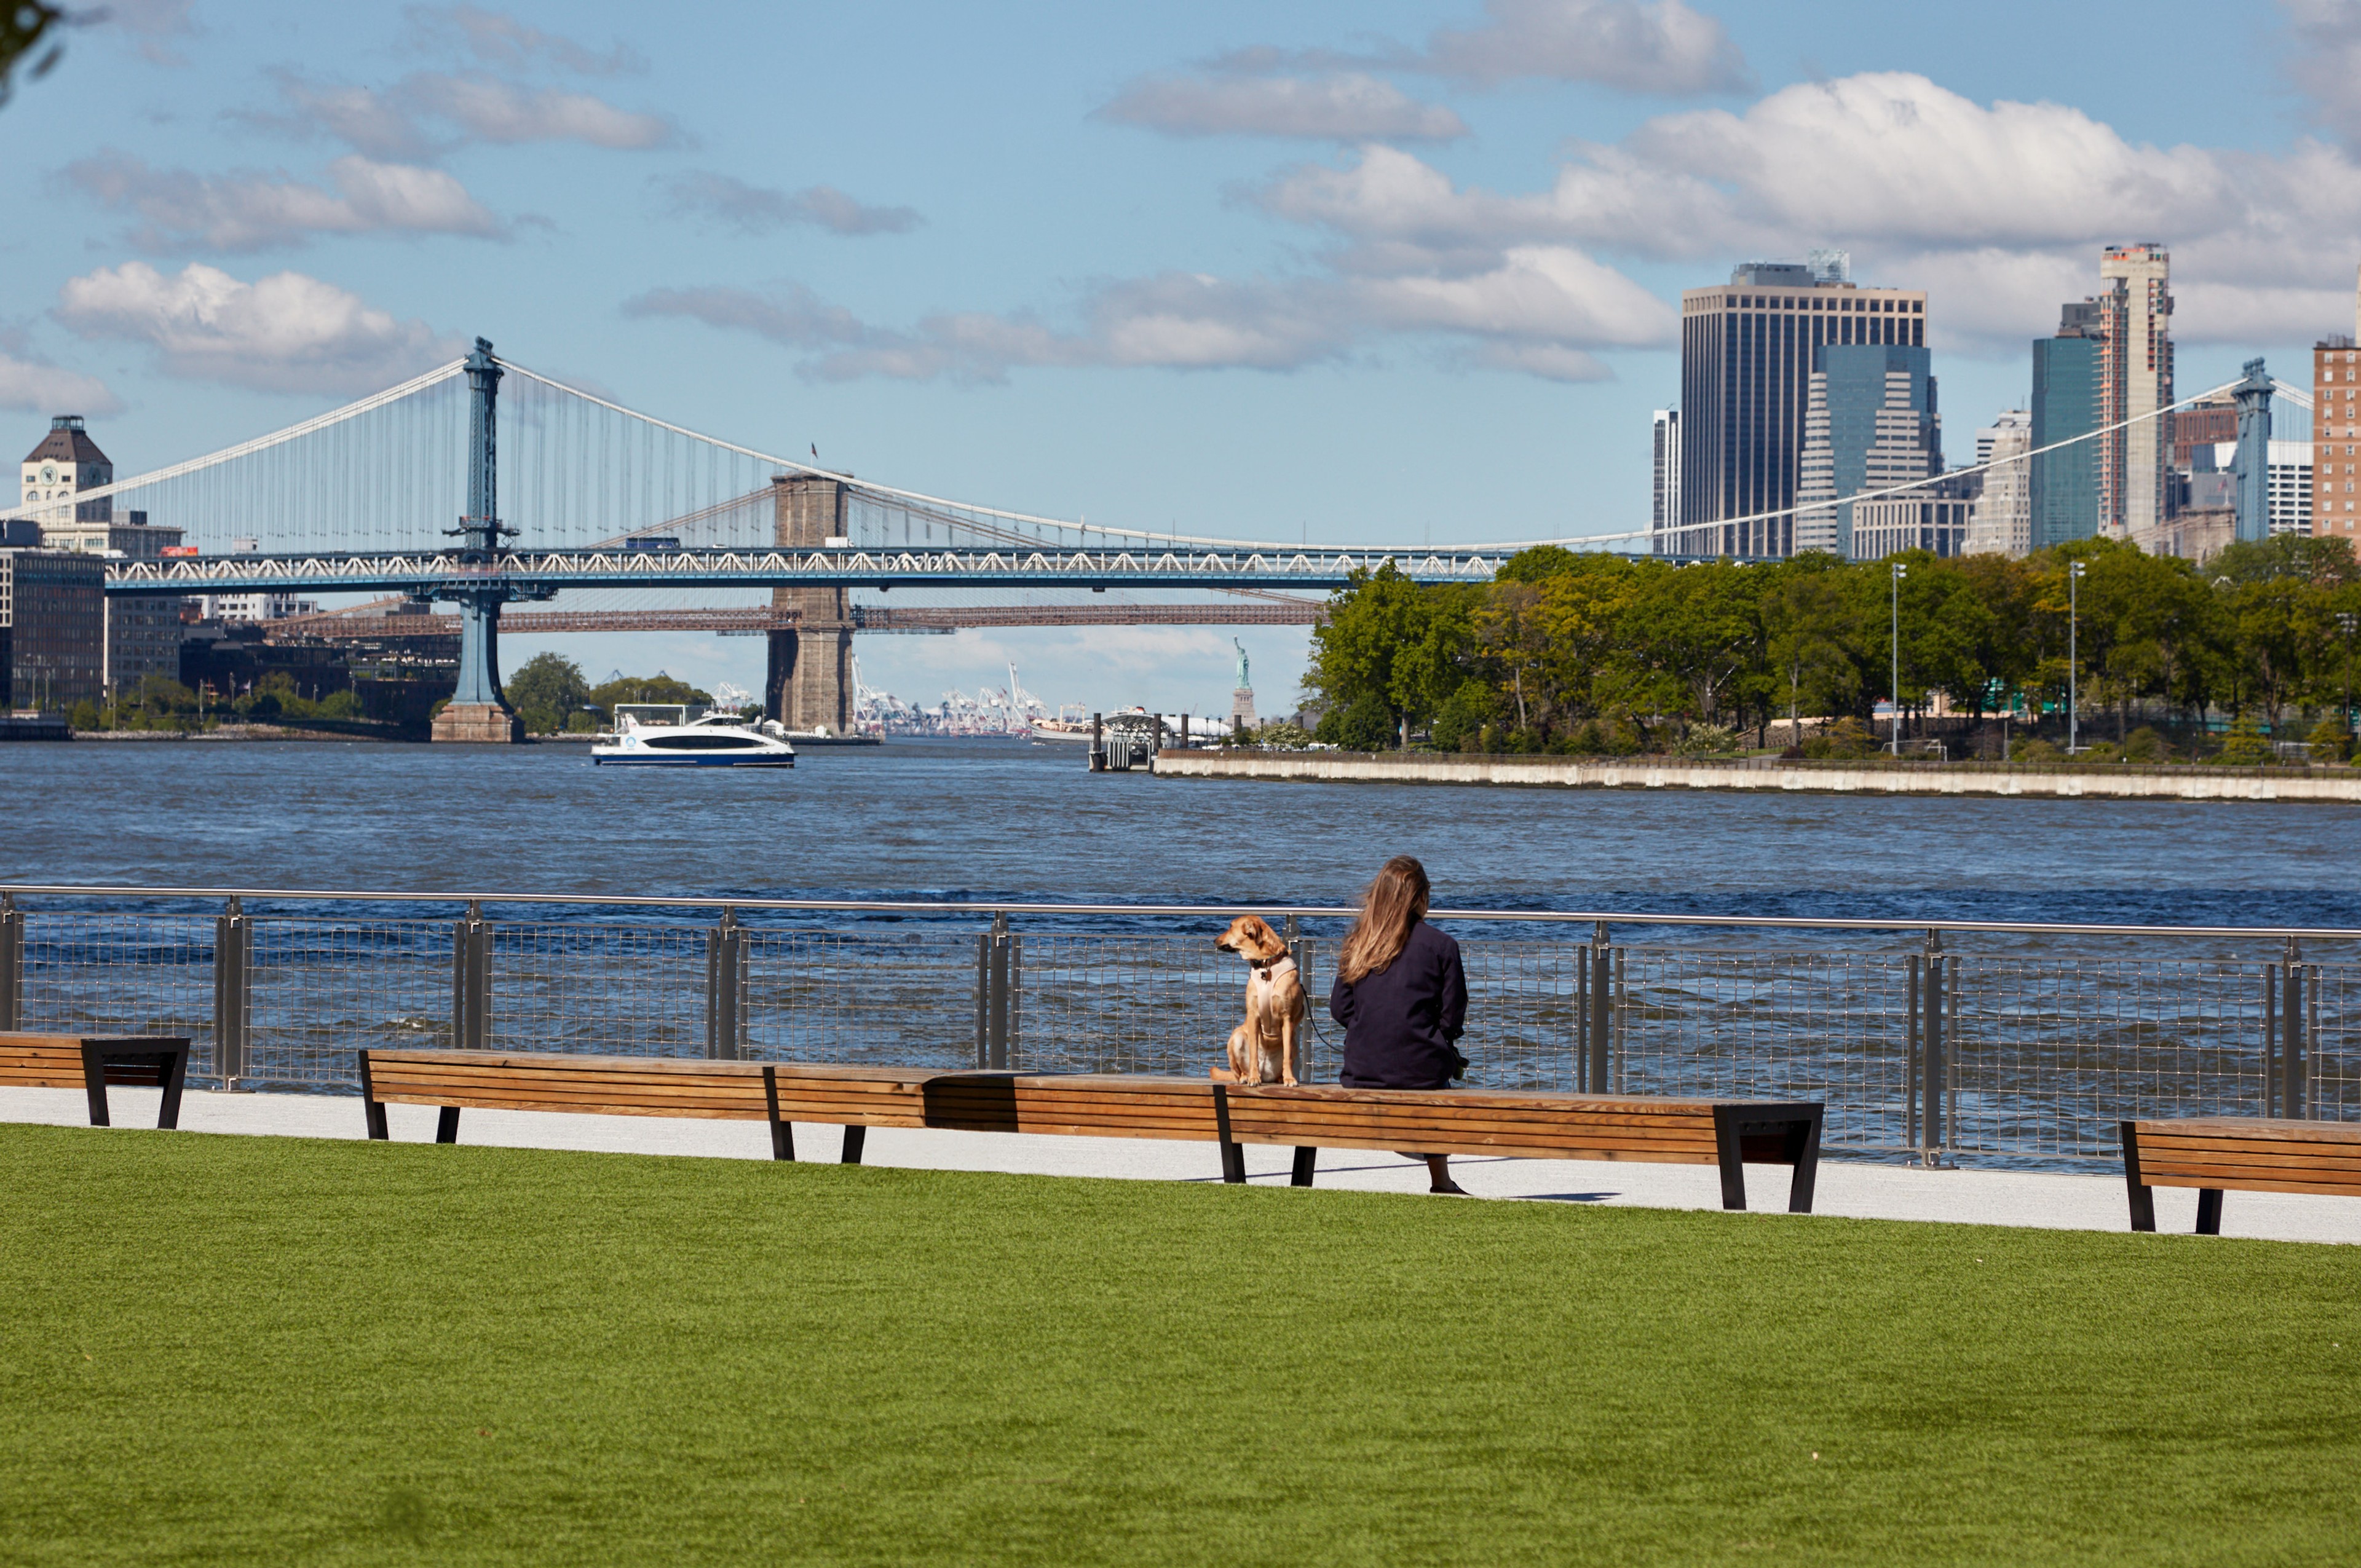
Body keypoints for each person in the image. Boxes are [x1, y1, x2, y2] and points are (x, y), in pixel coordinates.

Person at [1328, 854, 1471, 1195]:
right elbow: (1452, 1017)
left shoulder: (1358, 943)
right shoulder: (1442, 946)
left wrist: (1369, 1024)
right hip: (1422, 1073)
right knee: (1435, 1077)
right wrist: (1427, 1034)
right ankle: (1441, 1180)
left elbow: (1339, 1008)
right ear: (1421, 897)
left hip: (1361, 1072)